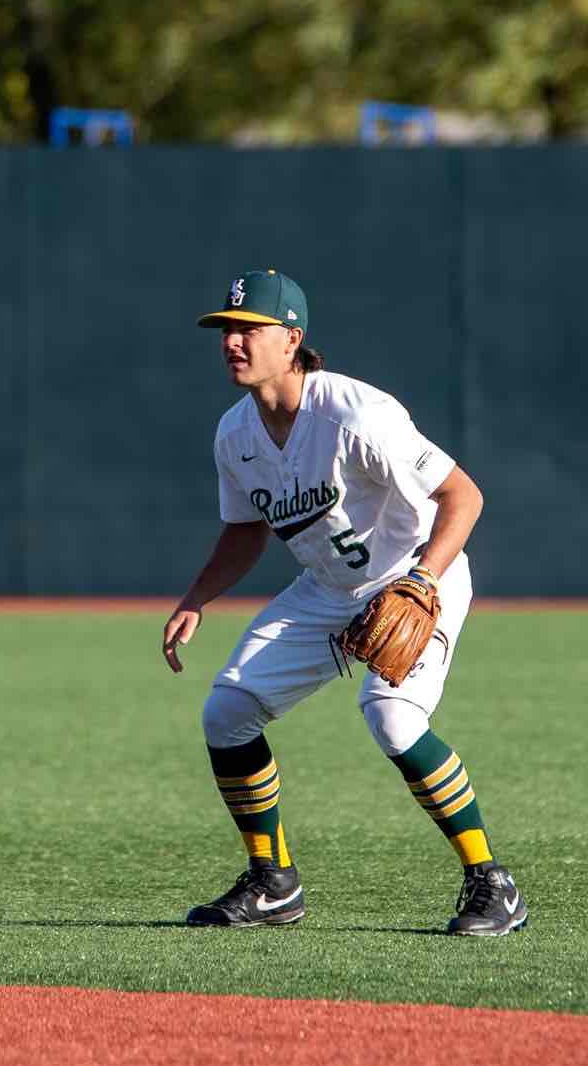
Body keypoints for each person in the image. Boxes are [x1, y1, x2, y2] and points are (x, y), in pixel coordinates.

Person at [162, 269, 528, 936]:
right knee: (227, 712)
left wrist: (421, 581)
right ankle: (272, 883)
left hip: (417, 577)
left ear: (292, 339)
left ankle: (491, 883)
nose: (232, 342)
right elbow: (247, 529)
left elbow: (462, 497)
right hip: (326, 590)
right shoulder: (235, 433)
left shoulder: (357, 414)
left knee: (391, 718)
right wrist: (198, 596)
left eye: (249, 330)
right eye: (226, 330)